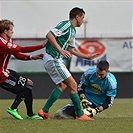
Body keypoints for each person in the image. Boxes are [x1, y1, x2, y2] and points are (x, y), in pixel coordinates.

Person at [38, 7, 99, 120]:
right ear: (77, 17)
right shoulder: (66, 24)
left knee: (63, 85)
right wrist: (60, 50)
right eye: (82, 17)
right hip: (53, 58)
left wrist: (87, 56)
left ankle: (44, 111)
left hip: (55, 59)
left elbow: (72, 49)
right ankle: (80, 114)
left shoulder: (73, 31)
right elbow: (49, 35)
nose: (83, 20)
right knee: (73, 85)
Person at [0, 19, 47, 120]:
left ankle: (29, 115)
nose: (13, 32)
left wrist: (31, 57)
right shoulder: (1, 42)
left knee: (29, 83)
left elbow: (17, 54)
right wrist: (41, 46)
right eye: (11, 30)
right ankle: (13, 108)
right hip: (1, 76)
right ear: (5, 31)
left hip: (6, 72)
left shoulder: (9, 41)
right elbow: (21, 49)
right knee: (24, 89)